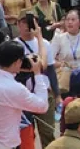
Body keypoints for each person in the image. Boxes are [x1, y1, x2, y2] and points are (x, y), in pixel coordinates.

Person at [0, 41, 50, 149]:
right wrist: (37, 74)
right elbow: (42, 106)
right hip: (6, 146)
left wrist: (16, 69)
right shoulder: (15, 89)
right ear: (18, 61)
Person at [17, 12, 58, 147]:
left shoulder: (44, 43)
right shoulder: (14, 45)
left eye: (31, 21)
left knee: (48, 132)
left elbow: (50, 69)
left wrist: (57, 95)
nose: (28, 25)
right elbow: (41, 64)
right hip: (24, 94)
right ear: (18, 24)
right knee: (28, 133)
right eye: (24, 21)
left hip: (44, 91)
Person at [52, 10, 80, 96]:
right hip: (65, 78)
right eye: (67, 19)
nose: (69, 22)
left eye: (73, 20)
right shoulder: (58, 38)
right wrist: (61, 64)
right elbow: (49, 60)